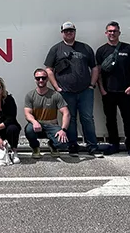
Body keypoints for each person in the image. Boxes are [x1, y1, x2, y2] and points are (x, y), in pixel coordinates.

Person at [44, 21, 102, 157]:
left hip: (85, 91)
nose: (69, 33)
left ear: (75, 32)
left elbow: (94, 68)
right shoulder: (56, 49)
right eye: (66, 31)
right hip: (66, 92)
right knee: (70, 119)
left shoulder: (85, 48)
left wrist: (92, 85)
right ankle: (73, 146)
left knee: (87, 118)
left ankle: (92, 147)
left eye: (71, 31)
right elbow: (49, 69)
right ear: (62, 33)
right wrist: (57, 87)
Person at [95, 21, 130, 158]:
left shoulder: (128, 48)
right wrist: (102, 89)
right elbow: (98, 72)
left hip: (125, 91)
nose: (112, 33)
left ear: (119, 33)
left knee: (128, 118)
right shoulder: (101, 51)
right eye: (110, 31)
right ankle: (113, 143)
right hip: (108, 92)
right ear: (106, 33)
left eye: (114, 31)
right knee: (110, 119)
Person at [24, 68, 70, 159]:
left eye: (43, 78)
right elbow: (27, 113)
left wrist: (63, 130)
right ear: (35, 79)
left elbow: (66, 113)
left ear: (47, 79)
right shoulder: (30, 95)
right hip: (37, 125)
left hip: (51, 125)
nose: (41, 80)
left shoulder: (55, 95)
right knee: (28, 130)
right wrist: (34, 122)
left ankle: (53, 145)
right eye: (38, 78)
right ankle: (35, 147)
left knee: (63, 144)